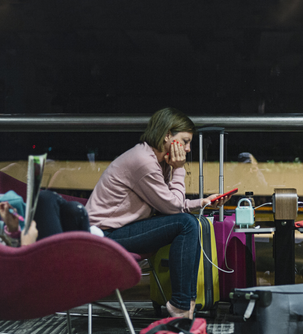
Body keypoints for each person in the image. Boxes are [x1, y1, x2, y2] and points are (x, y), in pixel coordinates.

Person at [85, 107, 228, 320]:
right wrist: (179, 169)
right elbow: (172, 206)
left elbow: (169, 204)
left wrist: (203, 202)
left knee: (189, 222)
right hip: (103, 235)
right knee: (186, 224)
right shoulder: (143, 161)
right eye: (186, 141)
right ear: (167, 135)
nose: (188, 149)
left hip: (121, 229)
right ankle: (181, 304)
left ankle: (185, 302)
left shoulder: (155, 159)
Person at [0, 175, 92, 247]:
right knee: (47, 199)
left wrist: (13, 229)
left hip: (31, 271)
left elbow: (6, 253)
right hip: (32, 279)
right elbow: (7, 273)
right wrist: (27, 244)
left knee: (71, 210)